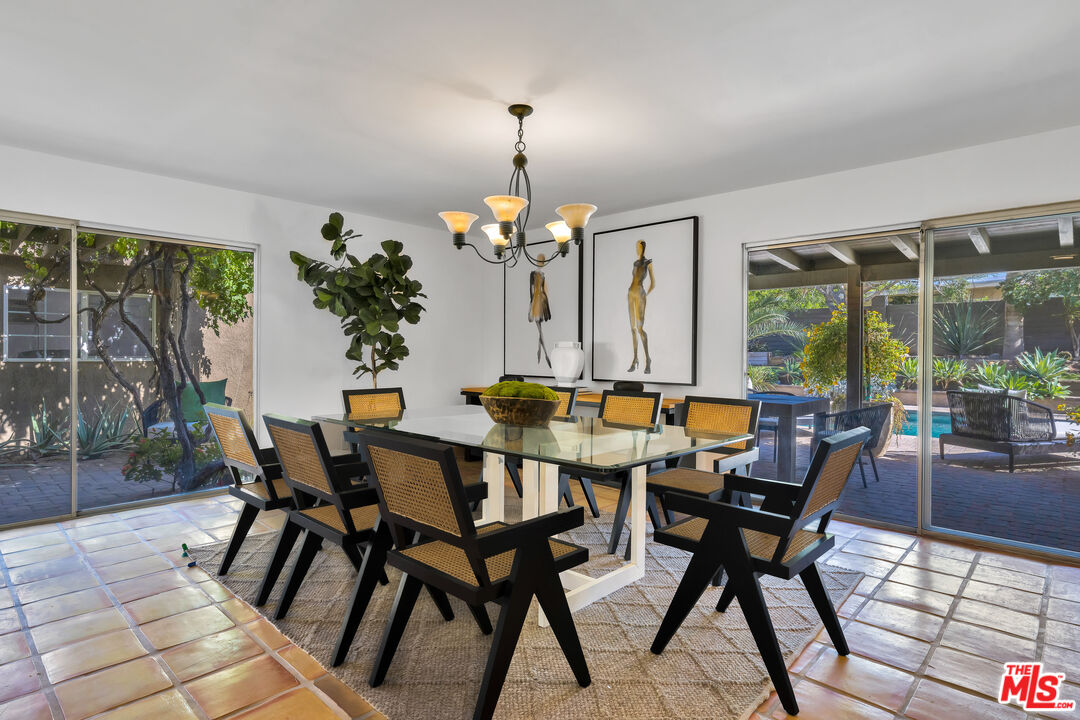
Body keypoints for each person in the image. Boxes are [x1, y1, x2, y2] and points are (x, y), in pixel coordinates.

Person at [627, 240, 655, 373]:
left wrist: (645, 295)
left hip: (639, 294)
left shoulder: (647, 263)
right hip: (630, 293)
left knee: (639, 328)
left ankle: (647, 359)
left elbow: (653, 283)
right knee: (632, 328)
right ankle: (635, 359)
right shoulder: (635, 263)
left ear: (643, 248)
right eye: (636, 247)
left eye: (639, 247)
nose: (637, 250)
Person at [529, 253, 552, 367]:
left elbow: (535, 290)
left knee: (540, 329)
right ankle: (545, 354)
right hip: (539, 300)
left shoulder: (542, 275)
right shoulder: (534, 274)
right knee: (540, 329)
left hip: (541, 300)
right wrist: (532, 304)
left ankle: (543, 352)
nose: (541, 263)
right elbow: (533, 290)